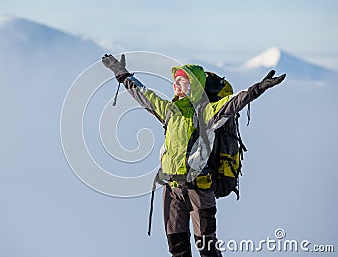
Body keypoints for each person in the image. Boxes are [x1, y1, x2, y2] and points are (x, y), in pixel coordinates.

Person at [102, 54, 286, 257]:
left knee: (207, 248)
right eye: (175, 81)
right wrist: (121, 74)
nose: (176, 85)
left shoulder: (206, 112)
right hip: (171, 189)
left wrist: (259, 88)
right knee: (177, 247)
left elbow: (234, 102)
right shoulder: (169, 110)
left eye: (182, 81)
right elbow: (144, 94)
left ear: (195, 86)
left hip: (199, 188)